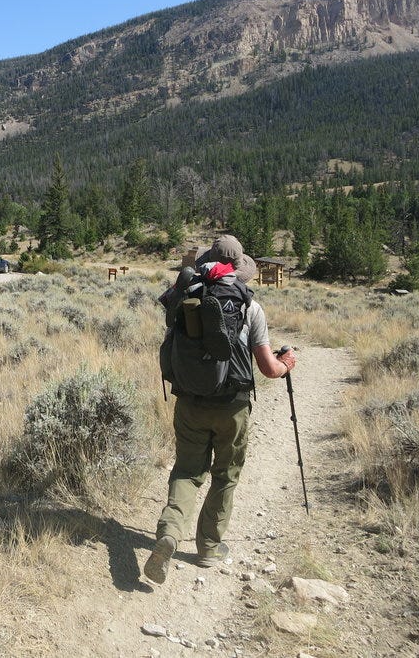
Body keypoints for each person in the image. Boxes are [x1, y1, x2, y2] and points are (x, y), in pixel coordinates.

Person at [144, 235, 297, 585]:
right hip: (232, 406)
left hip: (190, 401)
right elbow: (269, 369)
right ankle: (209, 547)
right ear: (241, 267)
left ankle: (169, 533)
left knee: (186, 471)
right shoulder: (249, 307)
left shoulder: (185, 297)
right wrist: (288, 363)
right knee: (225, 474)